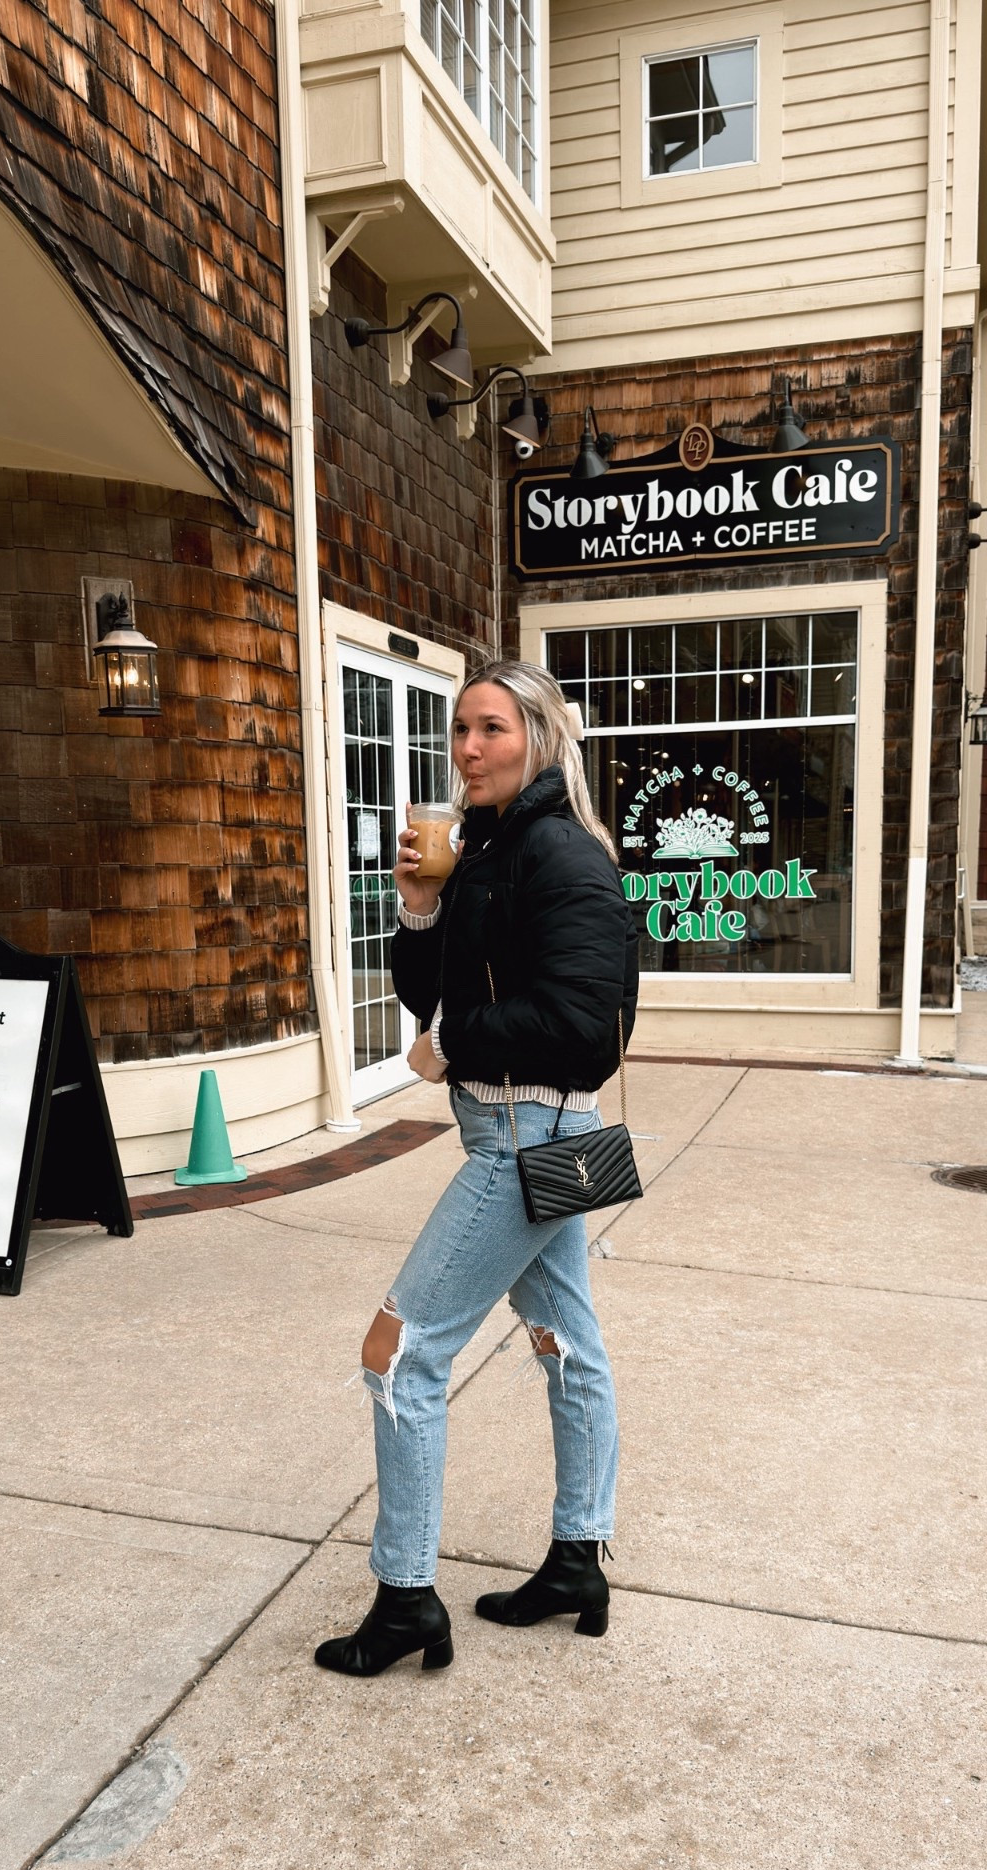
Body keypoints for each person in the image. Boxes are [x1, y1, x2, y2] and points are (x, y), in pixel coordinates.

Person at [315, 659, 638, 1677]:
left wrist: (458, 1041)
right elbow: (426, 986)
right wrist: (419, 904)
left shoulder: (563, 856)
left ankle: (407, 1593)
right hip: (537, 1137)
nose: (467, 748)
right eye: (460, 730)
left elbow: (590, 1027)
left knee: (398, 1352)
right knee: (566, 1345)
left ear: (540, 736)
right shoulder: (486, 850)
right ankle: (577, 1559)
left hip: (530, 1136)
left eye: (491, 728)